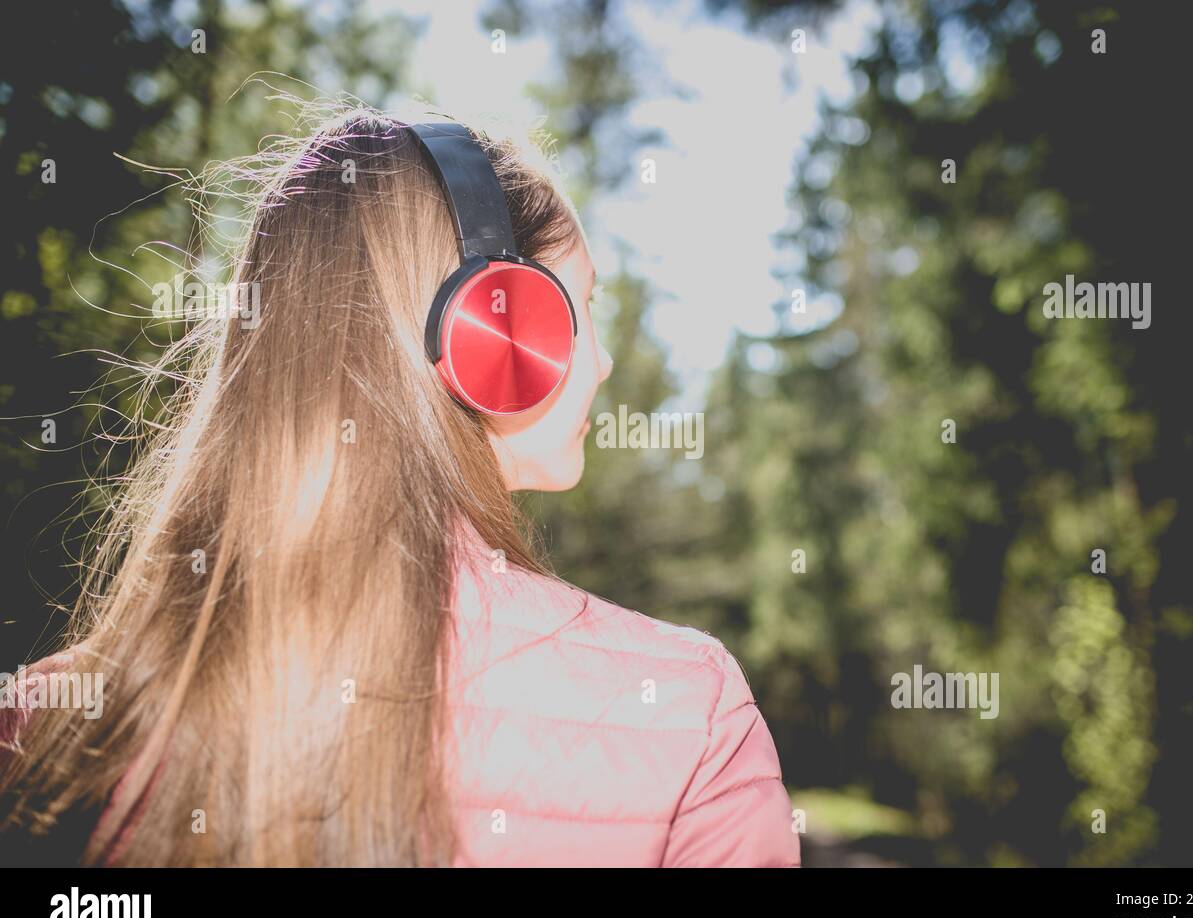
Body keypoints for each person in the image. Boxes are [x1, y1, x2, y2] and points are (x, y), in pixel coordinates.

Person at [0, 103, 800, 867]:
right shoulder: (690, 713)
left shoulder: (39, 717)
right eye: (583, 303)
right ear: (501, 328)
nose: (608, 361)